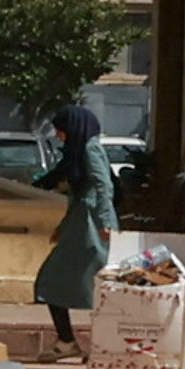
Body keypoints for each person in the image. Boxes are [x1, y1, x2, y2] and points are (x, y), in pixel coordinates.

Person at [35, 96, 114, 351]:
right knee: (62, 283)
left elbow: (104, 186)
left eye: (61, 130)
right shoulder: (79, 151)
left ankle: (70, 341)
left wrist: (105, 222)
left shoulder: (90, 149)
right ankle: (70, 340)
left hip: (91, 228)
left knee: (56, 281)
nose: (59, 136)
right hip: (80, 225)